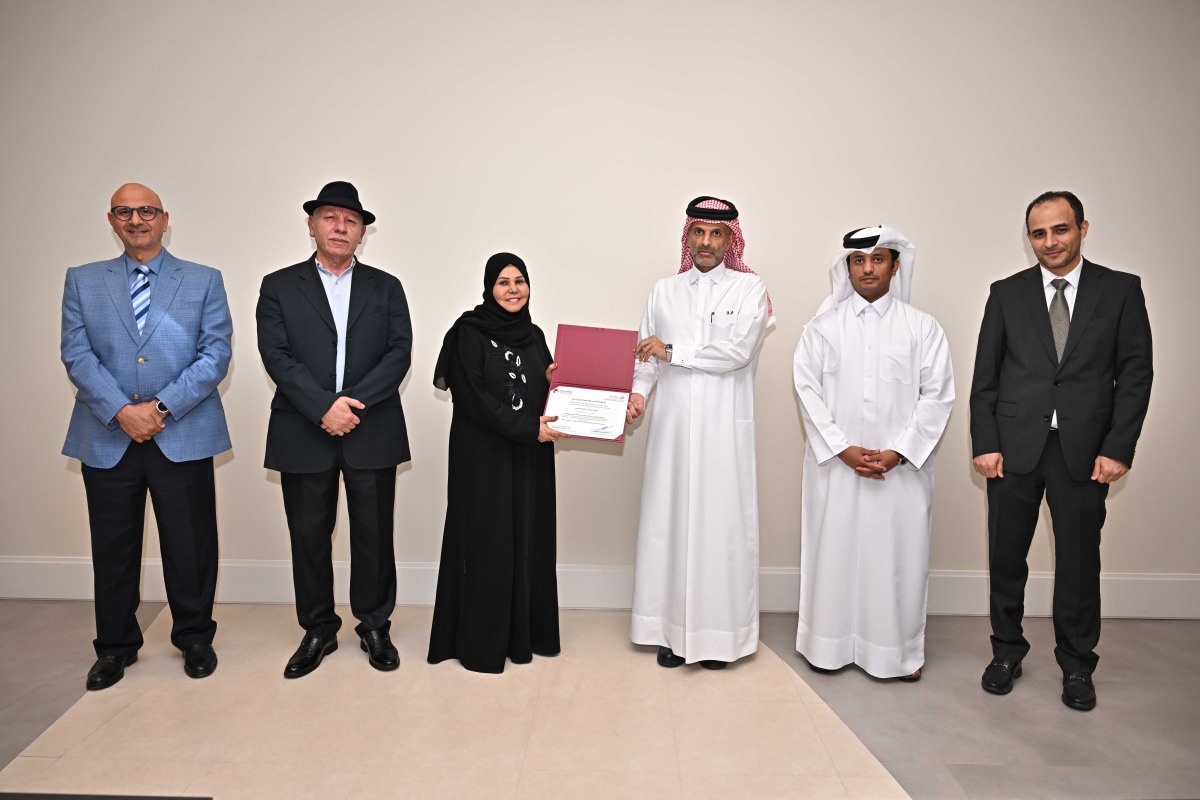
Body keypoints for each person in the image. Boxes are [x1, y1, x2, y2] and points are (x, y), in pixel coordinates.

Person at [970, 191, 1153, 711]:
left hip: (1085, 452)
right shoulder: (1005, 293)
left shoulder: (1120, 290)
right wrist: (985, 444)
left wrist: (1119, 448)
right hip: (1012, 451)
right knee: (1006, 558)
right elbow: (986, 377)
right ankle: (1006, 652)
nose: (1050, 242)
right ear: (1029, 238)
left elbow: (1135, 375)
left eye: (1060, 230)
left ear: (1083, 228)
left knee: (1078, 563)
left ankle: (1077, 665)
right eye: (1038, 233)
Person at [61, 183, 232, 690]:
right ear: (112, 220)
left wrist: (158, 409)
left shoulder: (203, 280)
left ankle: (195, 639)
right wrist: (120, 410)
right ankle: (115, 647)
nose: (137, 219)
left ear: (164, 219)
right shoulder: (82, 280)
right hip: (106, 436)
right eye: (125, 212)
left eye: (147, 211)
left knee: (191, 544)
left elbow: (214, 355)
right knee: (112, 548)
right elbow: (77, 354)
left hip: (182, 431)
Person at [256, 181, 413, 678]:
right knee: (308, 535)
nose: (340, 226)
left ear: (362, 232)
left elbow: (399, 352)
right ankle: (318, 628)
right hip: (303, 427)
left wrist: (351, 406)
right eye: (330, 217)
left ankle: (373, 625)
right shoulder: (278, 285)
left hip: (372, 426)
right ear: (311, 225)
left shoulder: (386, 286)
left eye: (351, 220)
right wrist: (323, 407)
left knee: (373, 533)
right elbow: (275, 355)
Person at [793, 226, 954, 681]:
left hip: (898, 472)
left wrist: (899, 453)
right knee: (834, 554)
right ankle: (828, 649)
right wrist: (841, 448)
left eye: (878, 259)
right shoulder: (822, 328)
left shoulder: (922, 327)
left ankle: (896, 655)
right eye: (858, 261)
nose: (868, 269)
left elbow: (937, 396)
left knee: (895, 560)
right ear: (847, 267)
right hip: (837, 469)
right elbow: (807, 391)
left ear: (894, 265)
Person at [625, 196, 771, 669]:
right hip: (671, 430)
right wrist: (639, 394)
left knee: (720, 529)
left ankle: (720, 638)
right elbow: (645, 357)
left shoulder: (750, 290)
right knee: (670, 526)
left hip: (723, 433)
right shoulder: (663, 290)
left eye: (717, 234)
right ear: (687, 237)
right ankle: (670, 633)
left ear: (731, 240)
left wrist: (672, 351)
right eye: (699, 233)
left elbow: (737, 353)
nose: (706, 242)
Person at [427, 253, 566, 673]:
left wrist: (559, 382)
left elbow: (541, 391)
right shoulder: (468, 333)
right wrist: (528, 429)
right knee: (487, 543)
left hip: (528, 457)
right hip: (482, 458)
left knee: (528, 537)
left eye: (520, 281)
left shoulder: (535, 334)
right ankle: (481, 644)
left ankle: (526, 635)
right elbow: (473, 399)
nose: (512, 289)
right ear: (489, 287)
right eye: (503, 282)